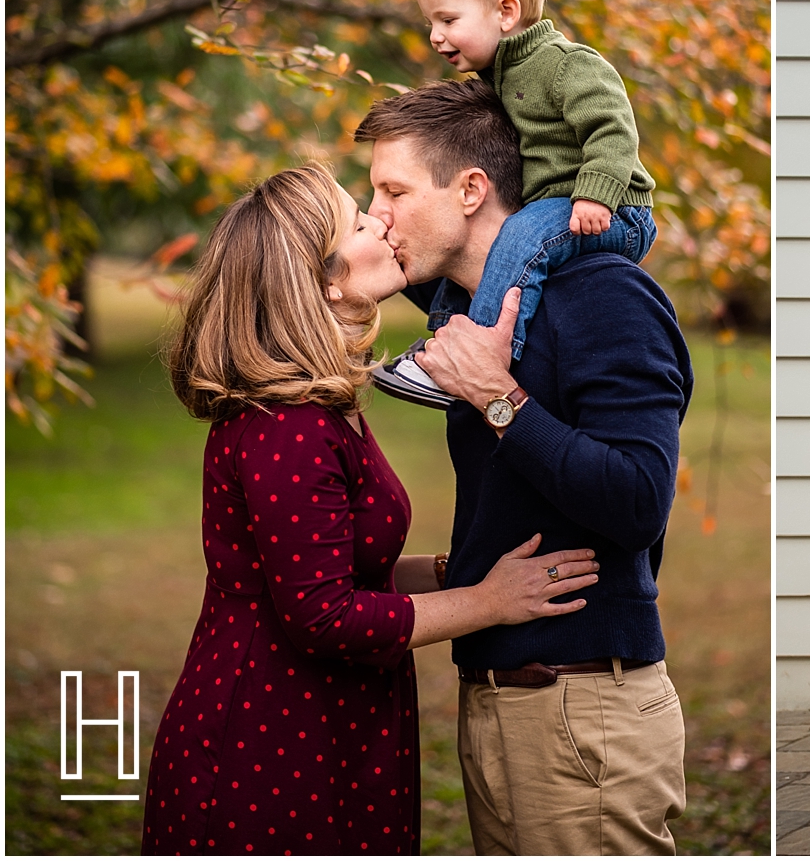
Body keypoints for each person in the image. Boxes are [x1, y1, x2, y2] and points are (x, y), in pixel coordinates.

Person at [143, 164, 600, 854]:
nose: (381, 222)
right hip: (267, 741)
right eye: (360, 221)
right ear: (323, 280)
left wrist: (453, 572)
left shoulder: (322, 405)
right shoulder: (286, 424)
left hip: (328, 723)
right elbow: (324, 615)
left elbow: (339, 566)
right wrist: (489, 601)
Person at [358, 80, 694, 852]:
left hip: (584, 712)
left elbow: (640, 500)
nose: (378, 214)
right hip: (499, 704)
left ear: (471, 190)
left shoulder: (604, 296)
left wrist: (498, 399)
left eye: (394, 191)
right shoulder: (469, 313)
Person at [372, 0, 658, 409]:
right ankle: (444, 349)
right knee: (470, 261)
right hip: (558, 207)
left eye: (448, 20)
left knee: (520, 238)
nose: (435, 37)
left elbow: (613, 128)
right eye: (431, 23)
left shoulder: (568, 64)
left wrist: (596, 193)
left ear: (506, 13)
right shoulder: (498, 78)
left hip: (611, 210)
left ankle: (484, 350)